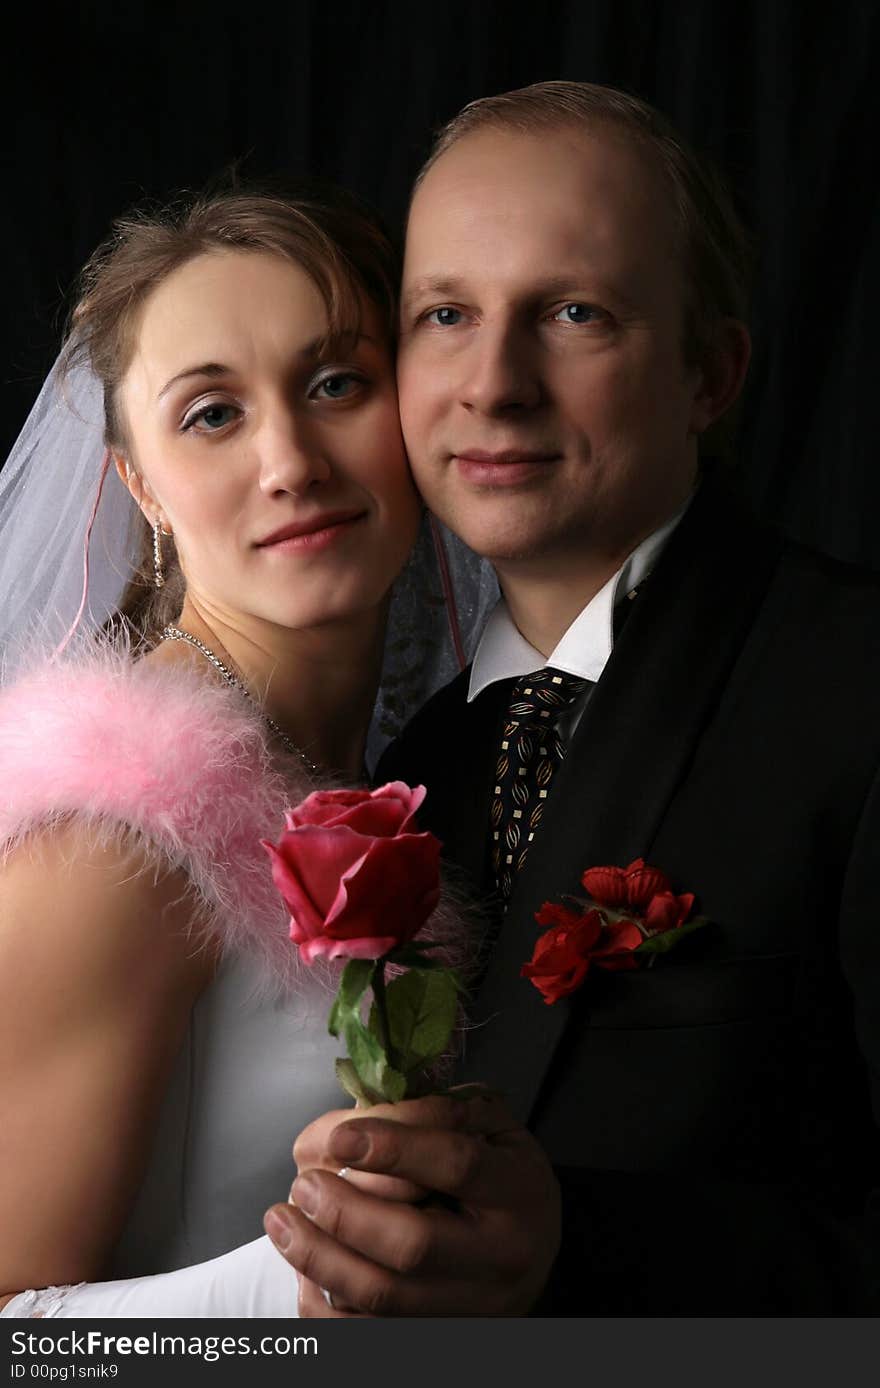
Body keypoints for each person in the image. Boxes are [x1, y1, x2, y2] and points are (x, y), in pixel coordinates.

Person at [266, 81, 880, 1315]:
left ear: (710, 373)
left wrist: (580, 1251)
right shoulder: (406, 767)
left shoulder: (852, 682)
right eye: (446, 314)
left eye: (573, 312)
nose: (494, 383)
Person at [0, 186, 492, 1318]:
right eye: (212, 415)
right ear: (140, 487)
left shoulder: (396, 768)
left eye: (333, 385)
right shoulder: (111, 837)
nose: (292, 462)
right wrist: (298, 1298)